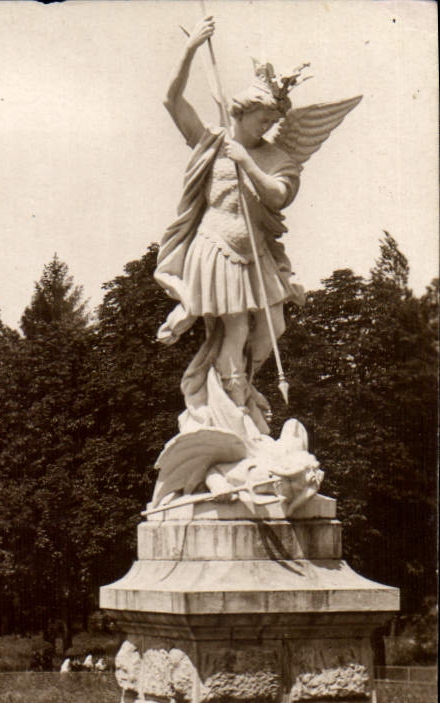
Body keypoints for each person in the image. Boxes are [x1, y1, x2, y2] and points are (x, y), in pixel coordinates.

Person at [158, 16, 360, 438]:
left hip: (257, 255)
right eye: (261, 119)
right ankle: (233, 418)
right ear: (243, 110)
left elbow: (278, 196)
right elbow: (172, 101)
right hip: (216, 248)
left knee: (272, 326)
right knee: (234, 329)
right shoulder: (210, 142)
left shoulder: (275, 156)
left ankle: (240, 395)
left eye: (272, 121)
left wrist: (246, 159)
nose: (267, 127)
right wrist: (191, 49)